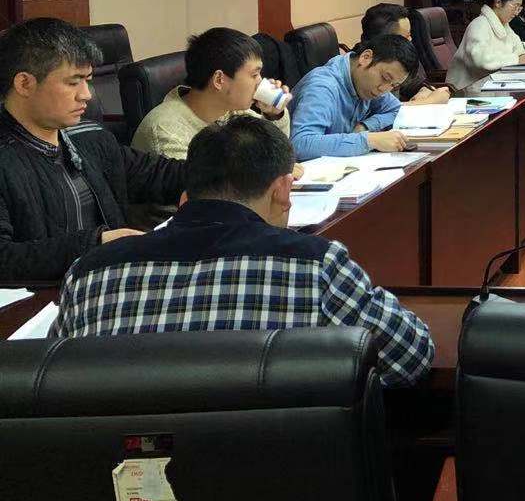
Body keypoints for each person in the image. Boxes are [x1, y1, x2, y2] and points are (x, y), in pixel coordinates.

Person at [55, 117, 434, 386]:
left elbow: (50, 379)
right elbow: (410, 355)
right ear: (282, 190)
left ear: (186, 197)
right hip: (281, 469)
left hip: (123, 473)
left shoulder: (88, 273)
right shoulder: (315, 265)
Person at [0, 18, 185, 282]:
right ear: (24, 84)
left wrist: (225, 170)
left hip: (111, 286)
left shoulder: (89, 137)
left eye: (87, 80)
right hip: (43, 301)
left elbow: (159, 174)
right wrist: (97, 243)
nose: (86, 94)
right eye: (73, 82)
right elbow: (5, 258)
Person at [131, 28, 290, 160]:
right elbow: (204, 185)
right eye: (254, 75)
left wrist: (273, 114)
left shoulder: (230, 111)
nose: (260, 82)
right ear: (219, 80)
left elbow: (280, 154)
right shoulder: (165, 132)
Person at [289, 33, 418, 160]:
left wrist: (365, 126)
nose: (384, 89)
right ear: (366, 57)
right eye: (385, 78)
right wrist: (369, 140)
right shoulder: (322, 87)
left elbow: (396, 110)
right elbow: (300, 144)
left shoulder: (366, 82)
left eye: (393, 85)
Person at [448, 0, 525, 95]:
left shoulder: (504, 25)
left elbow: (519, 48)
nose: (516, 13)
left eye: (519, 8)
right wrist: (516, 59)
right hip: (468, 91)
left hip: (491, 86)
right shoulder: (479, 25)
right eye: (515, 6)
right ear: (498, 3)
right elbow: (481, 60)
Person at [358, 3, 450, 106]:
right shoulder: (363, 68)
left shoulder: (395, 60)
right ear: (386, 39)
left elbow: (415, 84)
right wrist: (428, 101)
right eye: (405, 37)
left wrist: (424, 91)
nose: (410, 40)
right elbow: (381, 110)